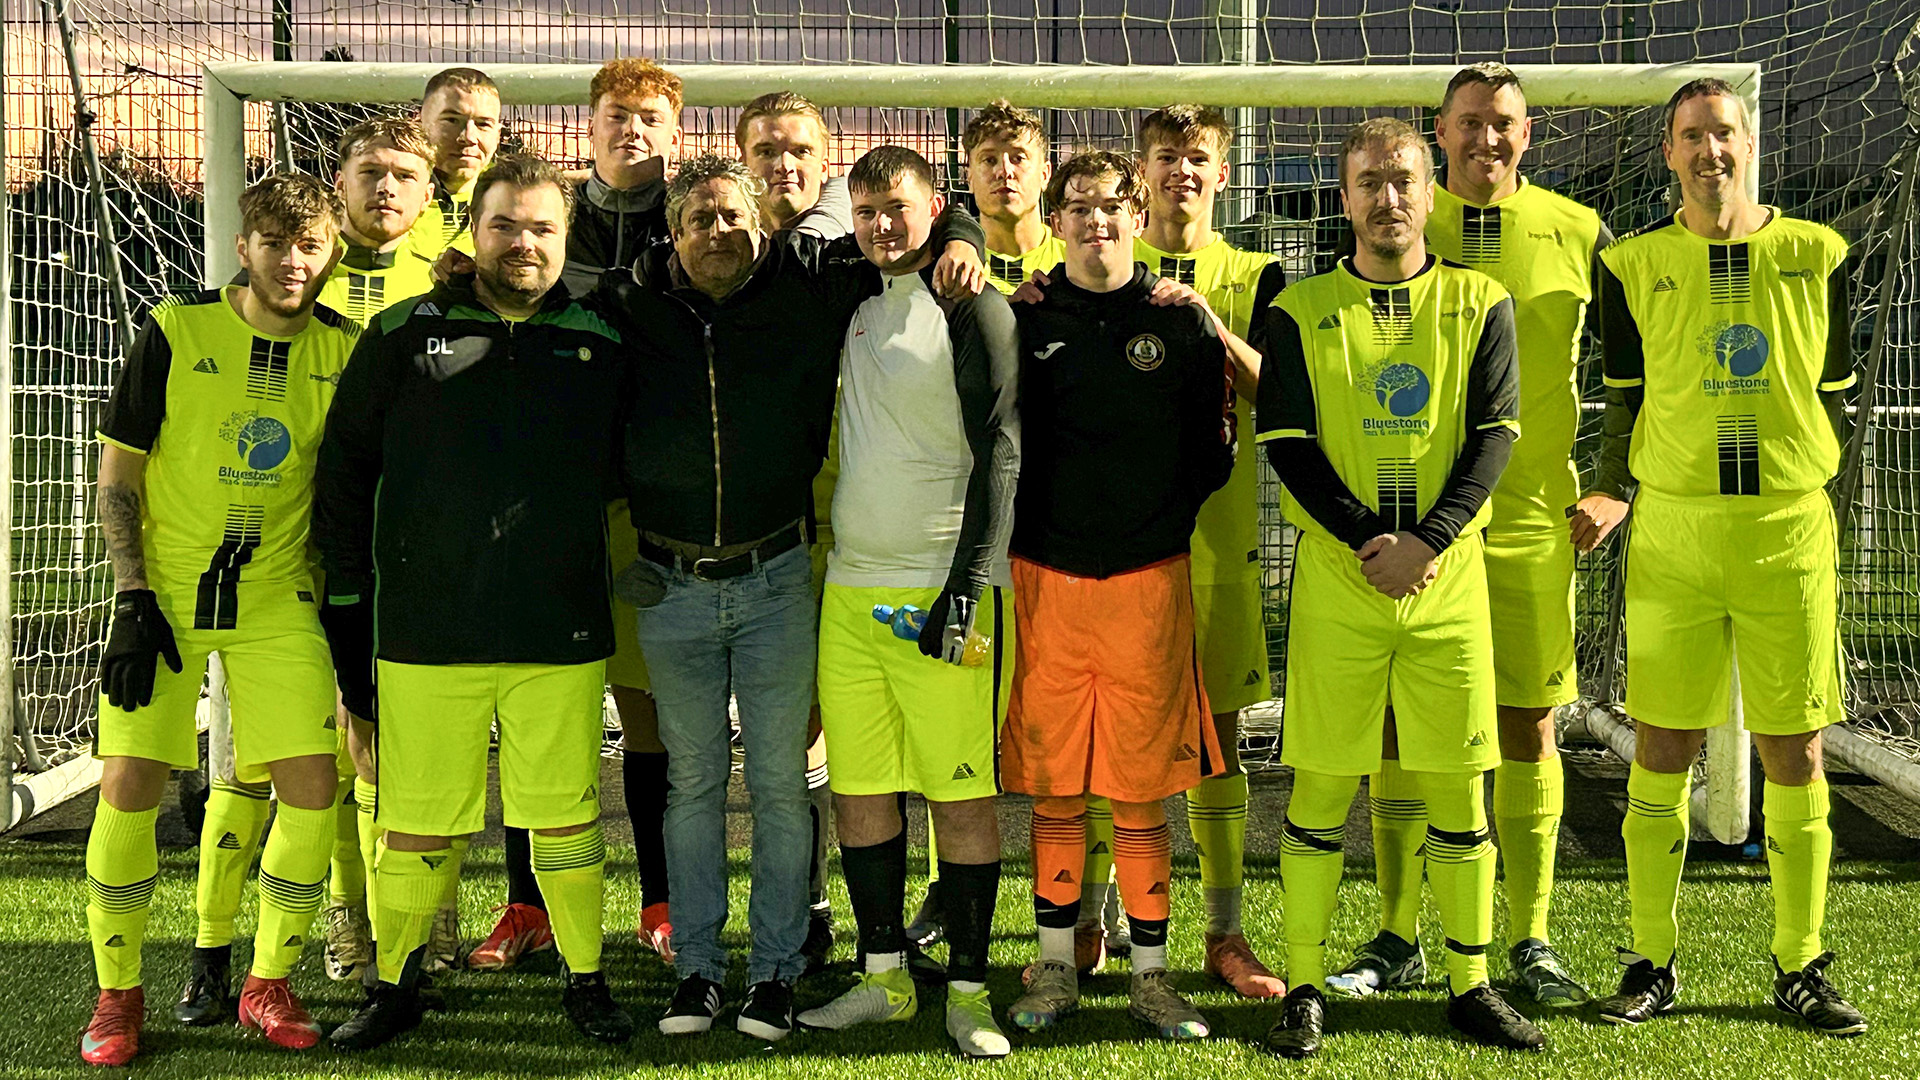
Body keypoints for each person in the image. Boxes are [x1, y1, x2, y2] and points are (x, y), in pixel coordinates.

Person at [603, 152, 984, 1042]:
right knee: (691, 783)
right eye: (700, 220)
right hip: (671, 585)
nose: (721, 233)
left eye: (735, 217)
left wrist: (962, 232)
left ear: (763, 223)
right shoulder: (631, 304)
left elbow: (913, 228)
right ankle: (697, 970)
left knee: (780, 783)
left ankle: (774, 972)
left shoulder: (814, 280)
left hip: (777, 577)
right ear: (673, 232)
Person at [315, 153, 633, 1050]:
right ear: (472, 232)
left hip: (559, 626)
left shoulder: (602, 342)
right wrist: (351, 629)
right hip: (426, 627)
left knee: (566, 813)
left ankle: (586, 978)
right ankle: (395, 986)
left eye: (541, 228)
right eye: (505, 225)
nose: (523, 243)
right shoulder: (398, 336)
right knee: (416, 824)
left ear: (565, 240)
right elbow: (343, 481)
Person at [1579, 78, 1868, 1037]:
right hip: (1676, 533)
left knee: (1799, 749)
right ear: (1668, 153)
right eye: (1692, 136)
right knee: (1663, 748)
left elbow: (1833, 393)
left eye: (1727, 133)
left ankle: (1799, 961)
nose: (1712, 151)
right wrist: (1617, 486)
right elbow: (1623, 402)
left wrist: (1791, 469)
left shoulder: (1817, 253)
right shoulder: (1628, 266)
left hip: (1786, 531)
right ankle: (1650, 961)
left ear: (1753, 145)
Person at [1254, 117, 1545, 1057]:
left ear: (1433, 195)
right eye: (1370, 183)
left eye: (1405, 182)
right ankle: (1302, 984)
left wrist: (1429, 541)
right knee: (1323, 787)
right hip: (1341, 584)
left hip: (1447, 584)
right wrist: (1371, 541)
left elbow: (1494, 437)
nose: (1389, 199)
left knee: (1460, 787)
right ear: (1344, 198)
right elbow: (1288, 448)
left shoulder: (1481, 300)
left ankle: (1469, 981)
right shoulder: (1298, 311)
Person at [1332, 62, 1611, 1007]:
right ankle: (1398, 933)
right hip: (1418, 533)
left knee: (1529, 728)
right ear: (1437, 135)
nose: (1487, 139)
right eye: (1469, 125)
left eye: (1504, 124)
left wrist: (1614, 484)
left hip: (1533, 521)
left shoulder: (1580, 234)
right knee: (1408, 734)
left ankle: (1529, 937)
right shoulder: (1403, 218)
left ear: (1528, 135)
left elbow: (1638, 371)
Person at [79, 174, 359, 1066]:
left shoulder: (343, 352)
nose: (293, 261)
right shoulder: (175, 328)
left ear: (331, 255)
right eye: (276, 243)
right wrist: (129, 596)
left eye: (310, 246)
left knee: (315, 783)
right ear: (245, 247)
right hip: (160, 595)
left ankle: (268, 981)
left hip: (277, 595)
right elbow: (119, 471)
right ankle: (117, 995)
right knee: (129, 781)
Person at [177, 118, 440, 999]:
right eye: (371, 172)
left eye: (407, 175)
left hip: (395, 560)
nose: (387, 190)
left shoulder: (442, 275)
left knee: (394, 758)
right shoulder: (282, 282)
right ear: (340, 181)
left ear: (429, 191)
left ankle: (409, 934)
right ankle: (297, 935)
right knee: (280, 769)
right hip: (276, 577)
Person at [998, 150, 1233, 1042]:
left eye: (1112, 205)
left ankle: (1150, 977)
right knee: (1056, 788)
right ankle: (1055, 966)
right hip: (1045, 578)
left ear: (1139, 216)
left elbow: (1213, 452)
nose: (1096, 219)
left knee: (1141, 791)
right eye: (1078, 206)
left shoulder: (1180, 324)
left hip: (1147, 580)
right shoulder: (1019, 317)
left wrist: (1147, 521)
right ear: (1053, 221)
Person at [791, 146, 1019, 1058]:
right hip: (852, 595)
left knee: (961, 795)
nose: (883, 224)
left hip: (942, 591)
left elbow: (1003, 450)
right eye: (867, 209)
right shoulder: (852, 298)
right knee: (860, 793)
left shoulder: (975, 305)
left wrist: (969, 584)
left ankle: (969, 988)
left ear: (935, 206)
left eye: (899, 206)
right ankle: (883, 979)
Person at [475, 55, 684, 976]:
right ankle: (525, 903)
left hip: (643, 508)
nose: (631, 130)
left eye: (649, 117)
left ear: (674, 133)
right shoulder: (544, 217)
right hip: (543, 508)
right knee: (534, 716)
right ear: (588, 127)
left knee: (645, 715)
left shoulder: (704, 220)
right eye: (615, 116)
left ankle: (662, 898)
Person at [1132, 103, 1287, 999]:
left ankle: (1224, 932)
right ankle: (1100, 925)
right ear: (1141, 173)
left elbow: (1277, 391)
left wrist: (1207, 322)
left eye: (1197, 158)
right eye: (1166, 157)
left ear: (1221, 174)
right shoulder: (1108, 252)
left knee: (1220, 745)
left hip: (1221, 547)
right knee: (1116, 739)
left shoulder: (1254, 272)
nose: (1182, 172)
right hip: (1122, 546)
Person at [734, 88, 856, 971]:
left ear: (826, 159)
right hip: (761, 532)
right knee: (787, 731)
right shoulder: (709, 252)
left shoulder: (861, 250)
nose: (784, 163)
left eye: (798, 149)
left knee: (876, 725)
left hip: (866, 528)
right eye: (767, 149)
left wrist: (962, 238)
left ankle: (895, 913)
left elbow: (944, 218)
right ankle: (806, 906)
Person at [966, 101, 1066, 296]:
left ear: (1045, 175)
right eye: (989, 160)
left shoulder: (1074, 261)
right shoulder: (954, 262)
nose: (1004, 171)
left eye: (1018, 158)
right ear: (969, 178)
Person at [408, 66, 503, 258]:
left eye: (483, 124)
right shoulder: (390, 195)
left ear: (498, 135)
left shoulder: (514, 199)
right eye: (451, 120)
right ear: (418, 125)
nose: (469, 137)